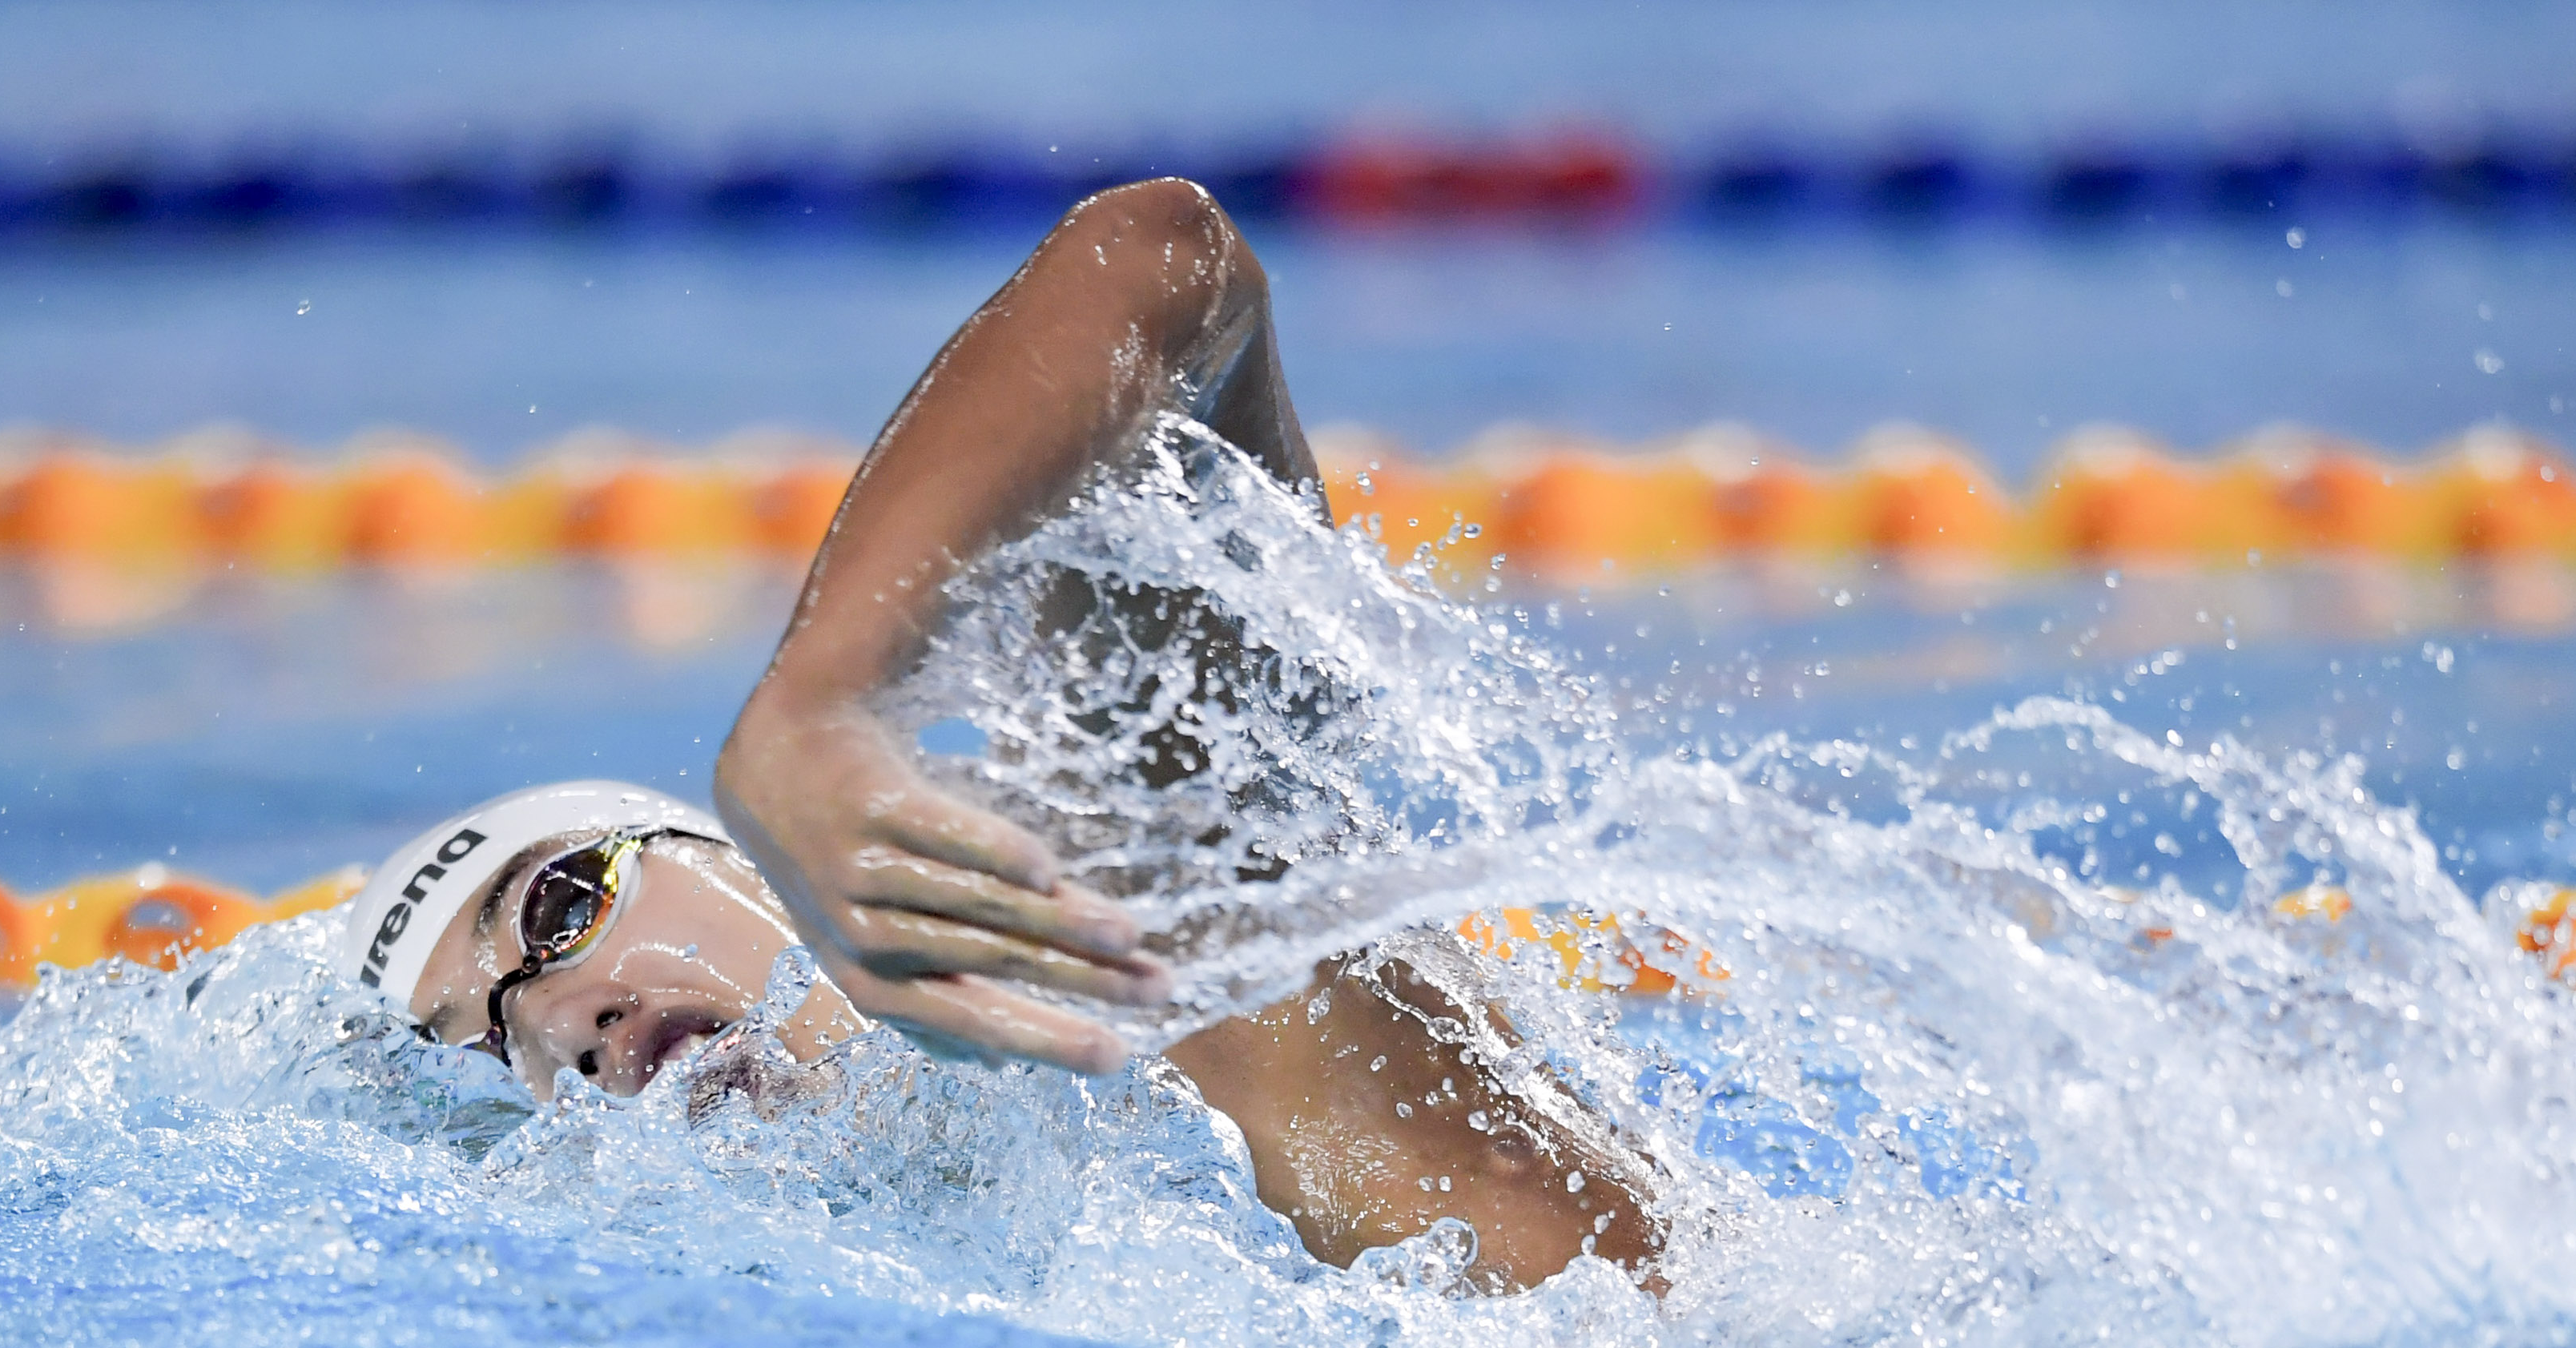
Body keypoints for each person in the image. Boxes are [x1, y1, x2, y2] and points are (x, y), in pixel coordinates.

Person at [345, 179, 1656, 1291]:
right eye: (483, 1040)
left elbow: (1162, 259)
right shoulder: (961, 1249)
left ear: (738, 858)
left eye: (563, 903)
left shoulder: (1138, 931)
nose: (556, 1023)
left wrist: (816, 701)